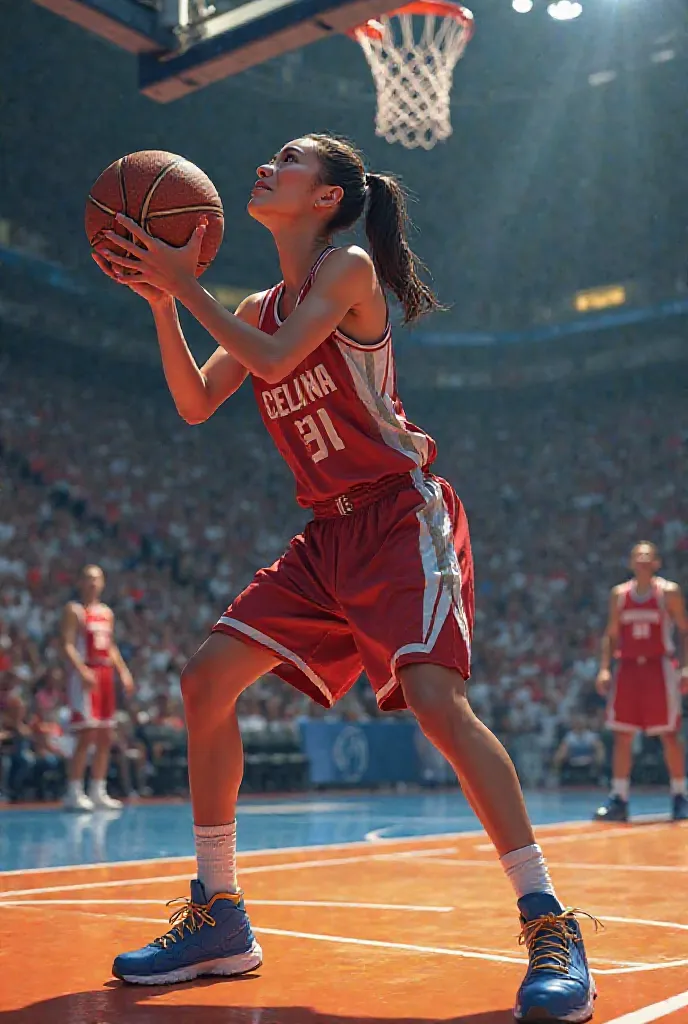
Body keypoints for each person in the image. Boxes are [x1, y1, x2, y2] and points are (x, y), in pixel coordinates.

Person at [93, 134, 595, 1021]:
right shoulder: (254, 300)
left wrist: (182, 286)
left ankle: (549, 921)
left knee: (438, 702)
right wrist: (159, 302)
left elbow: (279, 359)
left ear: (326, 197)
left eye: (287, 160)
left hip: (401, 515)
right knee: (205, 682)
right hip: (327, 536)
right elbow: (195, 402)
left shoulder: (350, 269)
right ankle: (219, 915)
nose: (264, 165)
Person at [594, 541, 688, 823]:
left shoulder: (667, 592)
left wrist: (685, 667)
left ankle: (680, 796)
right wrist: (604, 669)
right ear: (631, 563)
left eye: (648, 557)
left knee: (669, 734)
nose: (643, 561)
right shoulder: (620, 595)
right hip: (628, 669)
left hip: (659, 667)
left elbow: (684, 631)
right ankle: (619, 798)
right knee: (622, 735)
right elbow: (610, 634)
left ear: (656, 563)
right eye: (638, 557)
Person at [61, 564, 135, 811]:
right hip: (86, 673)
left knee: (105, 735)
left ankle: (97, 790)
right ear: (80, 582)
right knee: (86, 734)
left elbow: (111, 646)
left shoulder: (106, 613)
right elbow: (67, 645)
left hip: (105, 674)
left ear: (103, 583)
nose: (93, 583)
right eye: (88, 579)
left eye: (97, 579)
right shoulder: (74, 610)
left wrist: (123, 671)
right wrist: (81, 670)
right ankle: (73, 791)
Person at [553, 712, 605, 787]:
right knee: (559, 755)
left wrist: (598, 759)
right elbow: (563, 750)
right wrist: (559, 759)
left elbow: (599, 748)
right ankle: (556, 776)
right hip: (573, 761)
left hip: (589, 761)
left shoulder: (591, 736)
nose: (579, 724)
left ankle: (599, 775)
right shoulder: (569, 737)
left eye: (581, 723)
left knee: (600, 751)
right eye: (578, 723)